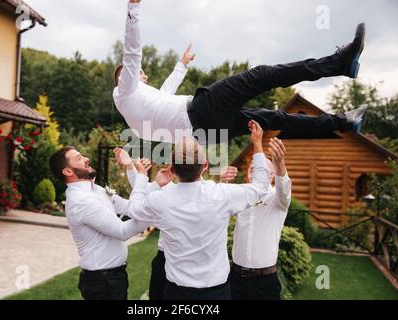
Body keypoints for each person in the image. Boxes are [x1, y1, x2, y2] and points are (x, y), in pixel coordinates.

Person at [113, 0, 368, 144]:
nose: (144, 75)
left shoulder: (136, 116)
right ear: (124, 78)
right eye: (141, 74)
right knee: (260, 76)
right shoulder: (125, 90)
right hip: (203, 110)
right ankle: (338, 63)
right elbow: (132, 55)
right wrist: (133, 8)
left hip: (208, 134)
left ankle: (343, 122)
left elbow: (165, 93)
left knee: (273, 119)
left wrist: (181, 65)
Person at [125, 120, 270, 299]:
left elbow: (133, 209)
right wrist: (257, 143)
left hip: (177, 294)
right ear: (205, 165)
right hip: (216, 294)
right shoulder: (222, 195)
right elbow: (262, 186)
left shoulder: (159, 199)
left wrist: (144, 179)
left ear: (171, 169)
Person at [113, 148, 238, 300]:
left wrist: (222, 183)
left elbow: (139, 200)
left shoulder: (211, 194)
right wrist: (130, 167)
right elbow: (144, 192)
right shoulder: (168, 191)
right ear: (204, 165)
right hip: (165, 259)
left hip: (202, 268)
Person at [48, 146, 152, 300]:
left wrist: (130, 166)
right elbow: (122, 231)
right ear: (68, 171)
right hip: (102, 282)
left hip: (113, 277)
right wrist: (155, 214)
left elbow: (130, 207)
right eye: (79, 158)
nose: (86, 158)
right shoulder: (82, 201)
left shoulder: (96, 190)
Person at [228, 137, 291, 300]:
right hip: (235, 278)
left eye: (259, 169)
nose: (253, 172)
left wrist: (279, 164)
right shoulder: (242, 196)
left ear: (270, 175)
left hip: (264, 282)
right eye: (251, 169)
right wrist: (222, 181)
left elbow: (285, 189)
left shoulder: (278, 200)